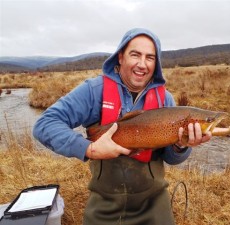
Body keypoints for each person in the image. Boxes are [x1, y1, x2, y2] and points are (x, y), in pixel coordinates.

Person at [33, 28, 211, 225]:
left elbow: (171, 157)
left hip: (153, 204)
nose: (142, 64)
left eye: (150, 58)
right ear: (120, 57)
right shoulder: (93, 91)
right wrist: (88, 148)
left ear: (156, 63)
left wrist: (181, 146)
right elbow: (45, 124)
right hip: (104, 205)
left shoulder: (165, 99)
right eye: (135, 55)